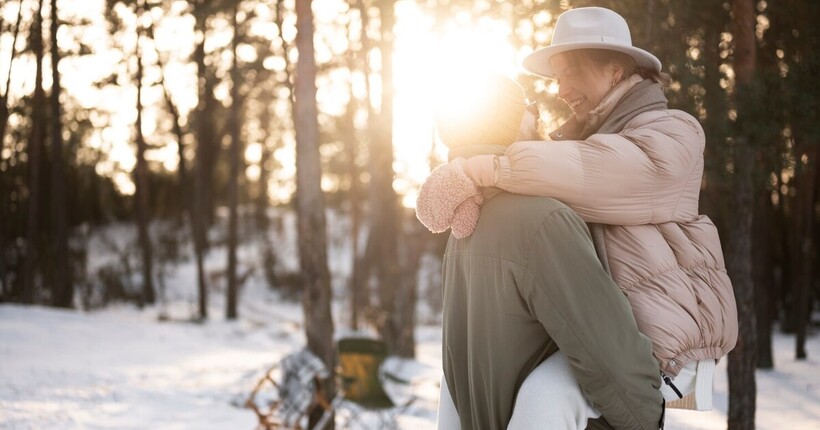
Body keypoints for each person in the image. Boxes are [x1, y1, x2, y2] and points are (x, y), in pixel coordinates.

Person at [418, 6, 738, 429]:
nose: (560, 89)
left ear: (616, 68)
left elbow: (593, 171)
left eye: (571, 72)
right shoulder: (581, 144)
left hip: (661, 347)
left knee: (544, 397)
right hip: (612, 333)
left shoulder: (673, 133)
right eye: (556, 76)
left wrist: (482, 170)